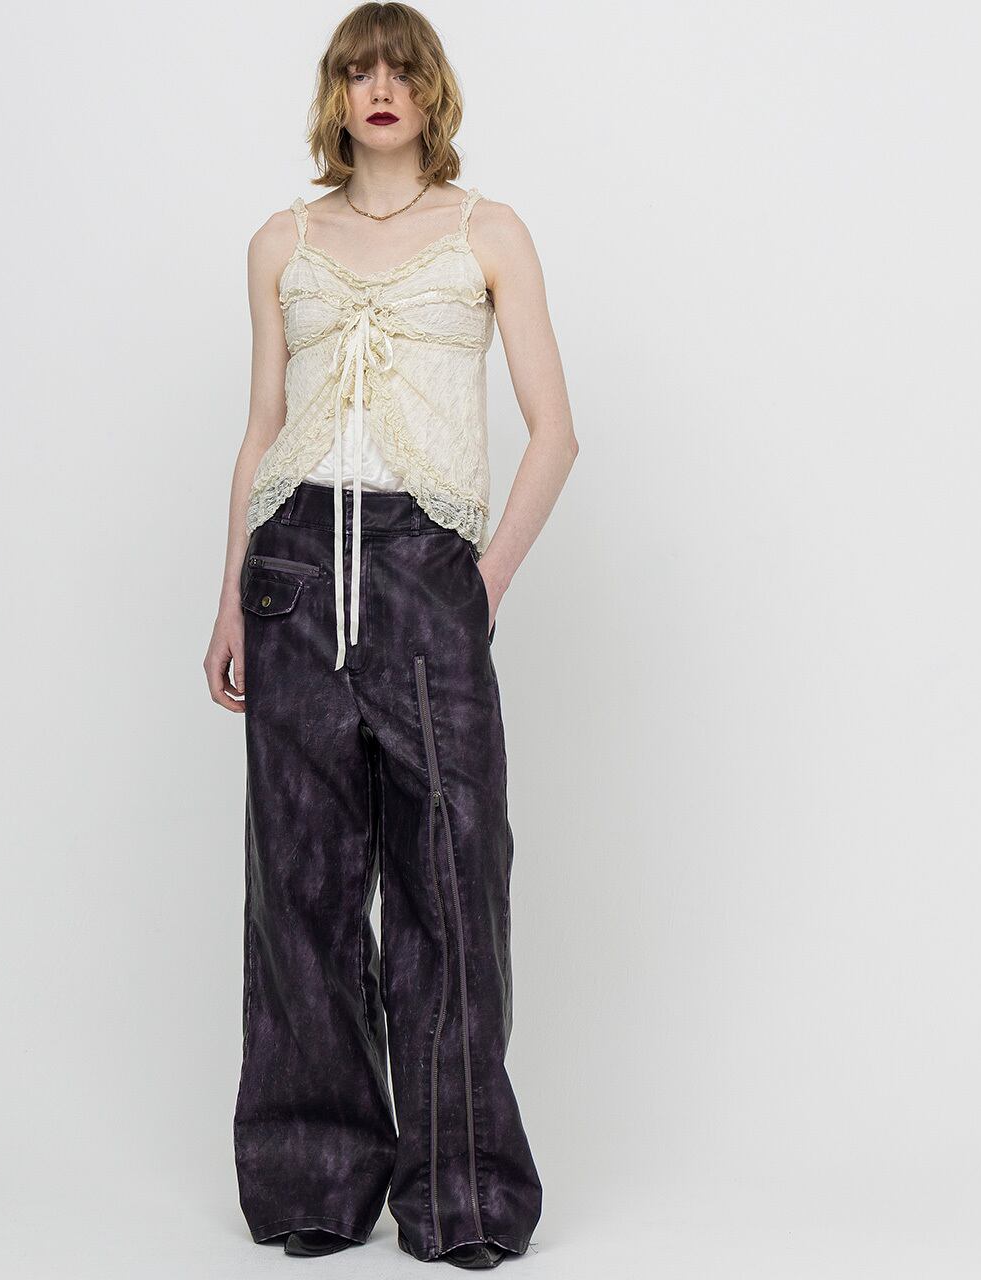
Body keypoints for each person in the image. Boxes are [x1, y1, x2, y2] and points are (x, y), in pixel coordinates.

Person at [204, 2, 578, 1269]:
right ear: (335, 93)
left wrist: (485, 578)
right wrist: (229, 596)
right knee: (299, 890)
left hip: (426, 566)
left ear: (428, 92)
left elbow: (553, 430)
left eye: (399, 69)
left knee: (451, 886)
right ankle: (311, 1179)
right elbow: (263, 426)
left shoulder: (487, 232)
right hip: (293, 569)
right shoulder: (281, 240)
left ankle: (461, 1194)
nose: (378, 87)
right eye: (356, 70)